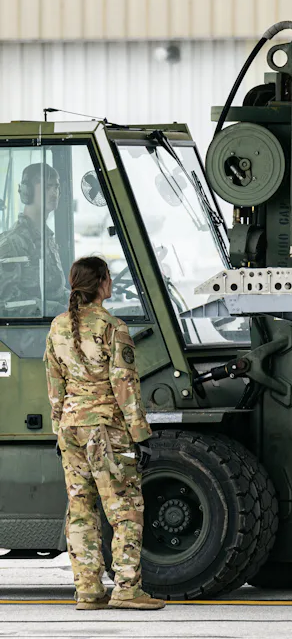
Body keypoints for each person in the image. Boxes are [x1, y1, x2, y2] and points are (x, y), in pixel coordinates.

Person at [44, 256, 164, 610]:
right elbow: (124, 383)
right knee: (124, 506)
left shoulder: (58, 326)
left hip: (70, 428)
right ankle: (127, 587)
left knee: (80, 509)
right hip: (105, 429)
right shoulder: (113, 326)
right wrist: (140, 433)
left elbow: (55, 384)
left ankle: (88, 590)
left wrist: (58, 428)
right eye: (108, 278)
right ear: (101, 284)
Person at [0, 162, 69, 315]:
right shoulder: (13, 242)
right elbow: (6, 301)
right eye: (47, 187)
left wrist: (74, 299)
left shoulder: (47, 238)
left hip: (53, 329)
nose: (54, 193)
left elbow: (54, 288)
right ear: (27, 192)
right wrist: (55, 309)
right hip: (28, 335)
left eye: (56, 187)